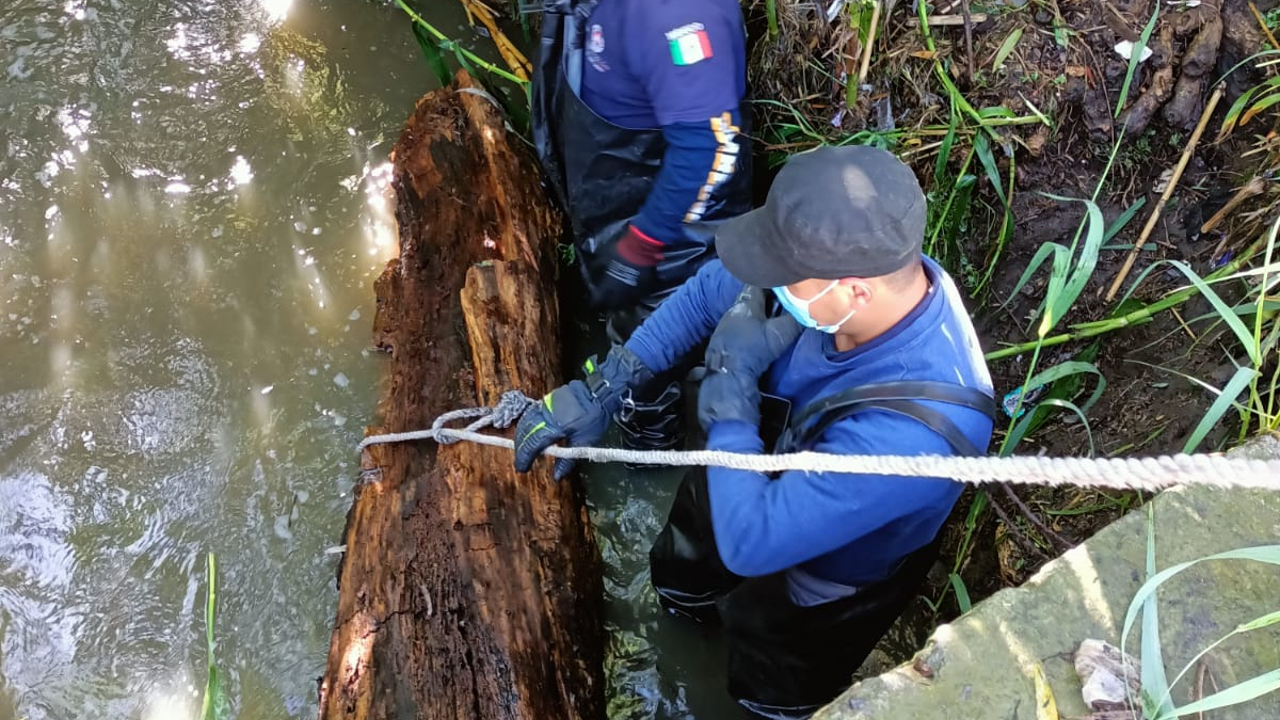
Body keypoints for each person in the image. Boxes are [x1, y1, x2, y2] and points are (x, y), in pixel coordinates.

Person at [512, 146, 997, 718]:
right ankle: (685, 612)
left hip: (822, 580)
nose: (772, 281)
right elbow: (710, 292)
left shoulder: (920, 430)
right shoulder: (843, 267)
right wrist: (607, 386)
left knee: (766, 694)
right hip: (740, 457)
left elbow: (753, 542)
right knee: (680, 577)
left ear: (853, 291)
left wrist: (730, 384)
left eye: (783, 274)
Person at [532, 0, 752, 320]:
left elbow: (706, 145)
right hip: (607, 179)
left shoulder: (681, 15)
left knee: (661, 339)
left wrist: (642, 245)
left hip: (671, 232)